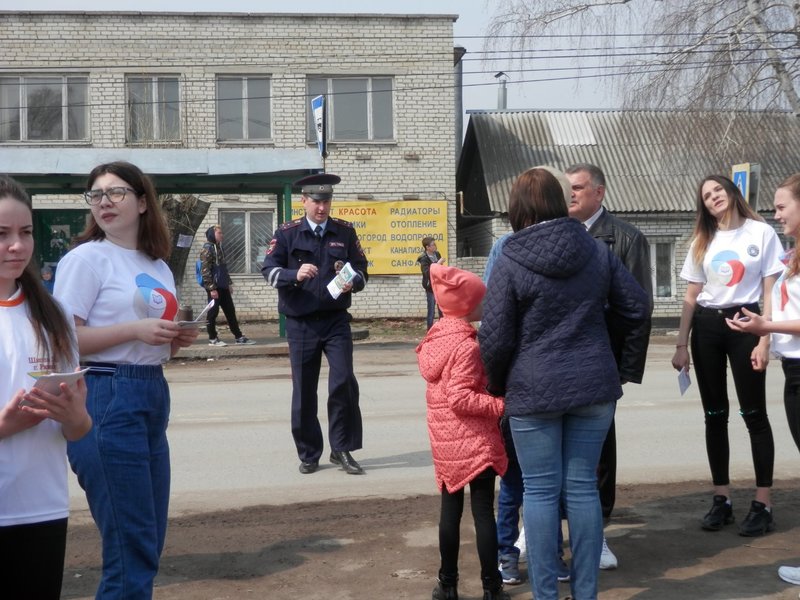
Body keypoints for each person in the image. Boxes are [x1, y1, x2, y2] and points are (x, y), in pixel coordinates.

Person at [479, 166, 649, 600]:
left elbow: (495, 338)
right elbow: (637, 308)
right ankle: (586, 594)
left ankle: (546, 595)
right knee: (582, 488)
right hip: (593, 384)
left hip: (533, 389)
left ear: (517, 208)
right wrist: (602, 346)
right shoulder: (595, 249)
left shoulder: (511, 255)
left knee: (538, 491)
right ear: (559, 202)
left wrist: (498, 385)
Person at [53, 161, 198, 598]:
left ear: (142, 202)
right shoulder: (85, 259)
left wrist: (174, 340)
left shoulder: (157, 264)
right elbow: (65, 341)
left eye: (115, 192)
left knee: (147, 541)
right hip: (106, 393)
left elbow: (151, 344)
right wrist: (135, 330)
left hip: (150, 391)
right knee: (129, 548)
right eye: (96, 195)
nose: (104, 202)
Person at [671, 174, 783, 538]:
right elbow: (691, 296)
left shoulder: (761, 232)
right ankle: (722, 499)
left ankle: (763, 503)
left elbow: (770, 287)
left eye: (718, 189)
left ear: (732, 191)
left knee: (754, 414)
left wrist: (765, 337)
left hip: (746, 323)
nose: (714, 197)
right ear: (703, 205)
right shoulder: (703, 240)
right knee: (714, 415)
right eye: (707, 195)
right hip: (707, 327)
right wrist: (681, 344)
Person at [0, 175, 92, 600]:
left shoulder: (54, 314)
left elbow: (78, 429)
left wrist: (75, 418)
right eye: (2, 234)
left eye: (25, 232)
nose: (16, 246)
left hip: (41, 508)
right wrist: (5, 426)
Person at [565, 162, 653, 569]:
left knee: (599, 449)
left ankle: (597, 532)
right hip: (561, 359)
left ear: (599, 192)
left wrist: (626, 368)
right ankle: (553, 530)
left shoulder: (626, 238)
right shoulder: (557, 232)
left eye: (578, 188)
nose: (571, 195)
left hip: (603, 361)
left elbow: (638, 308)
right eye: (567, 188)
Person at [261, 173, 369, 475]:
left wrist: (353, 281)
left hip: (336, 321)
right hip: (301, 323)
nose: (321, 208)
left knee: (344, 381)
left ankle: (342, 448)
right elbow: (268, 269)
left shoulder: (344, 231)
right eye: (316, 202)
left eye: (326, 201)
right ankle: (309, 453)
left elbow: (362, 269)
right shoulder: (287, 233)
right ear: (304, 201)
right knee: (304, 390)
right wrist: (292, 275)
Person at [416, 262, 510, 600]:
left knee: (449, 513)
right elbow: (460, 398)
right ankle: (491, 587)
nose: (486, 304)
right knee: (483, 514)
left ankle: (447, 585)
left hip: (446, 443)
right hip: (475, 442)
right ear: (468, 306)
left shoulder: (435, 340)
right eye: (481, 300)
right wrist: (501, 405)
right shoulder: (468, 346)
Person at [724, 173, 800, 586]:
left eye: (783, 206)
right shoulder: (793, 255)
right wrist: (766, 331)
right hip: (793, 370)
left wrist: (765, 327)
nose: (776, 214)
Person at [199, 224, 255, 346]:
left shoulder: (219, 248)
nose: (222, 235)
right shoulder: (207, 249)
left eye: (221, 233)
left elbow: (223, 268)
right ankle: (213, 339)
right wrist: (211, 288)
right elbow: (205, 271)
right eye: (219, 233)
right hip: (214, 288)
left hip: (223, 286)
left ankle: (239, 337)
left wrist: (228, 283)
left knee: (230, 311)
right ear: (212, 234)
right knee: (213, 313)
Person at [417, 236, 444, 329]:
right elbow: (427, 273)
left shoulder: (437, 254)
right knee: (431, 310)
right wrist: (438, 263)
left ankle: (442, 329)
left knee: (442, 310)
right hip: (430, 287)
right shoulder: (423, 258)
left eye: (435, 244)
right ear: (427, 247)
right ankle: (429, 331)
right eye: (433, 245)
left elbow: (440, 269)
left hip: (439, 285)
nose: (435, 246)